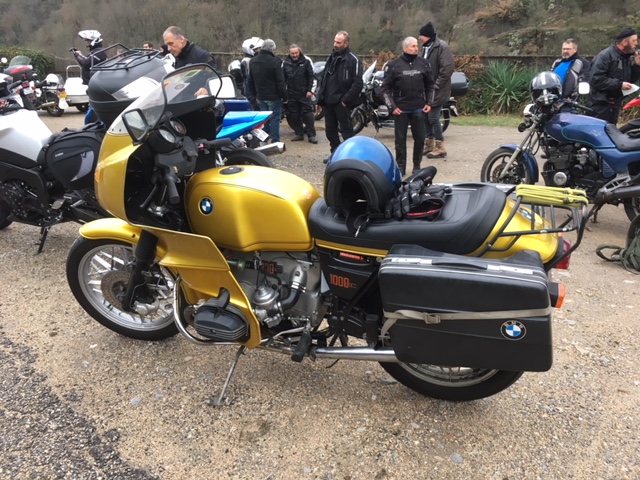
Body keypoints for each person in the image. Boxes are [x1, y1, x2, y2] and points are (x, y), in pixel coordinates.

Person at [381, 37, 434, 176]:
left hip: (419, 108)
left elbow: (430, 85)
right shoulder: (394, 65)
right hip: (401, 109)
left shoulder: (424, 64)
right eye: (413, 46)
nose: (416, 48)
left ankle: (417, 166)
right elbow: (385, 89)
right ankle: (401, 167)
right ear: (405, 48)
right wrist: (392, 107)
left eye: (417, 46)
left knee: (420, 139)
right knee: (400, 141)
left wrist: (429, 103)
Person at [317, 31, 363, 162]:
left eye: (339, 42)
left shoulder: (353, 60)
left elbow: (358, 83)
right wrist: (320, 99)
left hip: (342, 102)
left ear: (346, 44)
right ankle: (336, 155)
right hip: (328, 101)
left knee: (347, 131)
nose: (335, 44)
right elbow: (324, 79)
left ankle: (351, 157)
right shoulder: (331, 58)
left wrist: (345, 100)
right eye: (335, 41)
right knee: (330, 132)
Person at [418, 22, 455, 159]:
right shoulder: (426, 48)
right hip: (426, 90)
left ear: (427, 36)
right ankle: (429, 145)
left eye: (421, 35)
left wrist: (435, 85)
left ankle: (441, 148)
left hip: (438, 90)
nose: (419, 38)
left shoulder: (442, 47)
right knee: (425, 117)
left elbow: (447, 69)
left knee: (433, 118)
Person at [589, 27, 640, 124]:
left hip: (615, 105)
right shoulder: (605, 56)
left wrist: (637, 66)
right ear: (625, 42)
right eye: (634, 41)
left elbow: (629, 81)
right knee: (599, 131)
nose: (636, 44)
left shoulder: (626, 58)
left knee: (612, 131)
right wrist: (620, 85)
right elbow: (596, 80)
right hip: (601, 106)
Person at [248, 39, 287, 143]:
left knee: (264, 119)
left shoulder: (253, 61)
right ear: (272, 49)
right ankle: (275, 141)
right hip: (274, 97)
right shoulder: (275, 61)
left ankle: (264, 139)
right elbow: (280, 81)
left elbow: (250, 80)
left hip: (260, 96)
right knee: (275, 119)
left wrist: (253, 96)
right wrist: (285, 97)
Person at [283, 44, 317, 144]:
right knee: (294, 115)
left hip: (304, 93)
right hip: (291, 93)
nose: (294, 55)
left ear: (299, 52)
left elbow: (311, 77)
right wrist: (285, 94)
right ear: (290, 53)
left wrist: (310, 91)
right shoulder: (286, 63)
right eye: (292, 53)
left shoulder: (306, 61)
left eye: (296, 53)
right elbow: (283, 80)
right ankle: (299, 134)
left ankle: (311, 135)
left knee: (307, 114)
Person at [240, 37, 264, 108]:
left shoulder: (251, 60)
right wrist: (253, 98)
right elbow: (248, 80)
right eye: (258, 49)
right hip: (251, 95)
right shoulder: (247, 61)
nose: (260, 50)